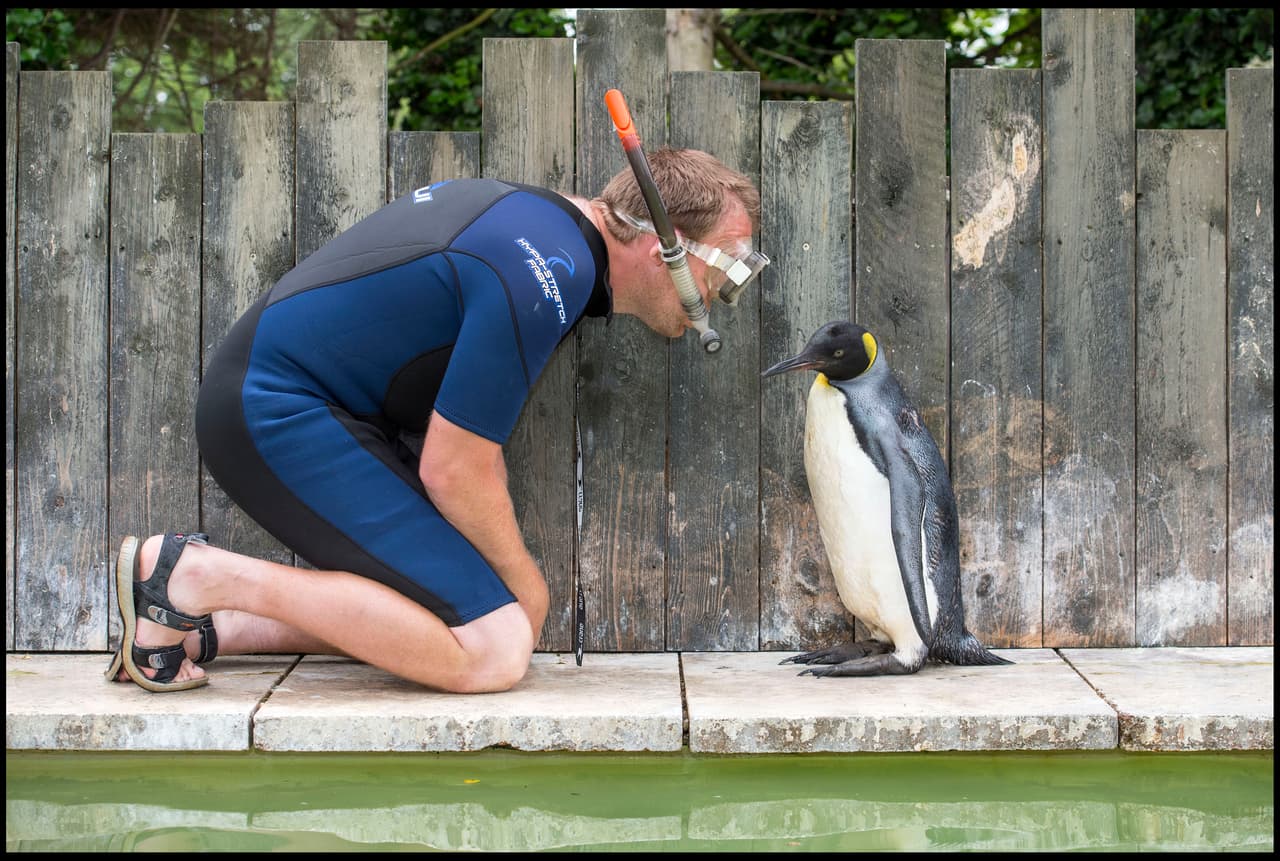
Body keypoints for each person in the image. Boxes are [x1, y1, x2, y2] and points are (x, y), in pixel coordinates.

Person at [108, 147, 764, 693]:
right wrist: (525, 582)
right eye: (727, 267)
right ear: (666, 247)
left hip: (309, 410)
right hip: (275, 410)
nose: (723, 296)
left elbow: (465, 442)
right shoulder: (548, 271)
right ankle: (190, 573)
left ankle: (209, 623)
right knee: (497, 646)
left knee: (440, 619)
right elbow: (455, 467)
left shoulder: (546, 233)